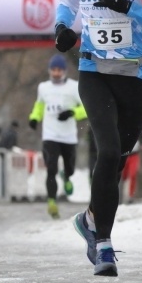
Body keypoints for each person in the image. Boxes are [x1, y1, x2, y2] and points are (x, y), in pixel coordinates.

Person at [57, 0, 142, 277]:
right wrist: (63, 29)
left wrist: (127, 6)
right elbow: (68, 1)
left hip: (135, 76)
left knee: (116, 162)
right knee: (108, 149)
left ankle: (90, 219)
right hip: (94, 71)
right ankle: (104, 245)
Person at [28, 54, 86, 219]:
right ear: (49, 71)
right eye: (53, 69)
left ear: (65, 71)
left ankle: (67, 177)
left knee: (70, 168)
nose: (56, 73)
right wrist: (34, 118)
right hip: (50, 135)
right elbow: (39, 106)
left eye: (59, 70)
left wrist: (71, 113)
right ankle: (52, 202)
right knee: (51, 168)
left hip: (68, 136)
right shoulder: (43, 87)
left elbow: (86, 109)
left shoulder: (74, 87)